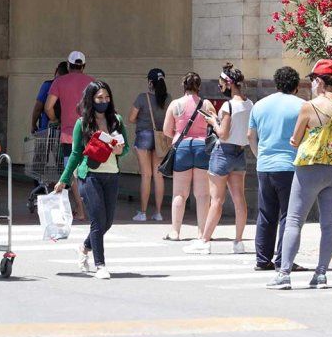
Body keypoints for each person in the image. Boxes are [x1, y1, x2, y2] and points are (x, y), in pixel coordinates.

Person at [267, 59, 332, 290]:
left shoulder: (309, 106)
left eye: (313, 79)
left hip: (310, 167)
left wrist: (297, 140)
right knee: (328, 223)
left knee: (294, 220)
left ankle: (284, 274)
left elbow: (296, 138)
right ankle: (321, 274)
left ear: (319, 81)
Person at [54, 81, 129, 280]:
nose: (104, 101)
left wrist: (120, 151)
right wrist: (64, 180)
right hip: (89, 176)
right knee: (97, 220)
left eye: (106, 98)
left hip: (112, 174)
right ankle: (100, 265)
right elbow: (76, 153)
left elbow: (126, 147)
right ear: (91, 100)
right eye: (99, 98)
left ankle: (84, 247)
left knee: (108, 222)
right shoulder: (82, 123)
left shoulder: (117, 120)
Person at [183, 63, 253, 254]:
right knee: (240, 200)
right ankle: (238, 241)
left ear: (228, 83)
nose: (220, 86)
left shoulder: (228, 105)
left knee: (216, 200)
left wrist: (213, 121)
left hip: (223, 153)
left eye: (221, 83)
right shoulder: (249, 104)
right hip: (240, 153)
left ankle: (205, 241)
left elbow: (222, 134)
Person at [248, 66, 307, 271]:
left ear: (276, 83)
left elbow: (250, 136)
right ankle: (284, 259)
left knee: (266, 214)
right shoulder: (302, 106)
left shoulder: (260, 105)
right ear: (296, 86)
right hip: (290, 166)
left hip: (264, 165)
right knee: (288, 215)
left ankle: (262, 259)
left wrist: (259, 156)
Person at [161, 72, 216, 241]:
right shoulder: (206, 104)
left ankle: (175, 232)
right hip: (201, 147)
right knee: (202, 194)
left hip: (182, 147)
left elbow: (166, 130)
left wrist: (178, 134)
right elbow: (215, 124)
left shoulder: (175, 104)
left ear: (183, 85)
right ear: (199, 86)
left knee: (179, 192)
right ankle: (201, 232)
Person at [45, 51, 94, 222]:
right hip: (90, 133)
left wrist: (55, 119)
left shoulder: (59, 82)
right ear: (84, 65)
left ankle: (80, 210)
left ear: (68, 65)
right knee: (89, 171)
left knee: (72, 173)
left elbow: (48, 106)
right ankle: (91, 207)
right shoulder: (92, 82)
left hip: (68, 134)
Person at [127, 68, 170, 221]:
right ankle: (158, 213)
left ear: (150, 82)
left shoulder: (142, 97)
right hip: (161, 138)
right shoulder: (168, 98)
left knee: (146, 175)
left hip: (144, 136)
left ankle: (143, 213)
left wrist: (142, 120)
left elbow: (131, 118)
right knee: (158, 176)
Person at [31, 61, 68, 134]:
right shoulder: (70, 88)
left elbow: (38, 108)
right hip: (64, 132)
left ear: (56, 70)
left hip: (46, 130)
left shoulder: (48, 85)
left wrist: (33, 125)